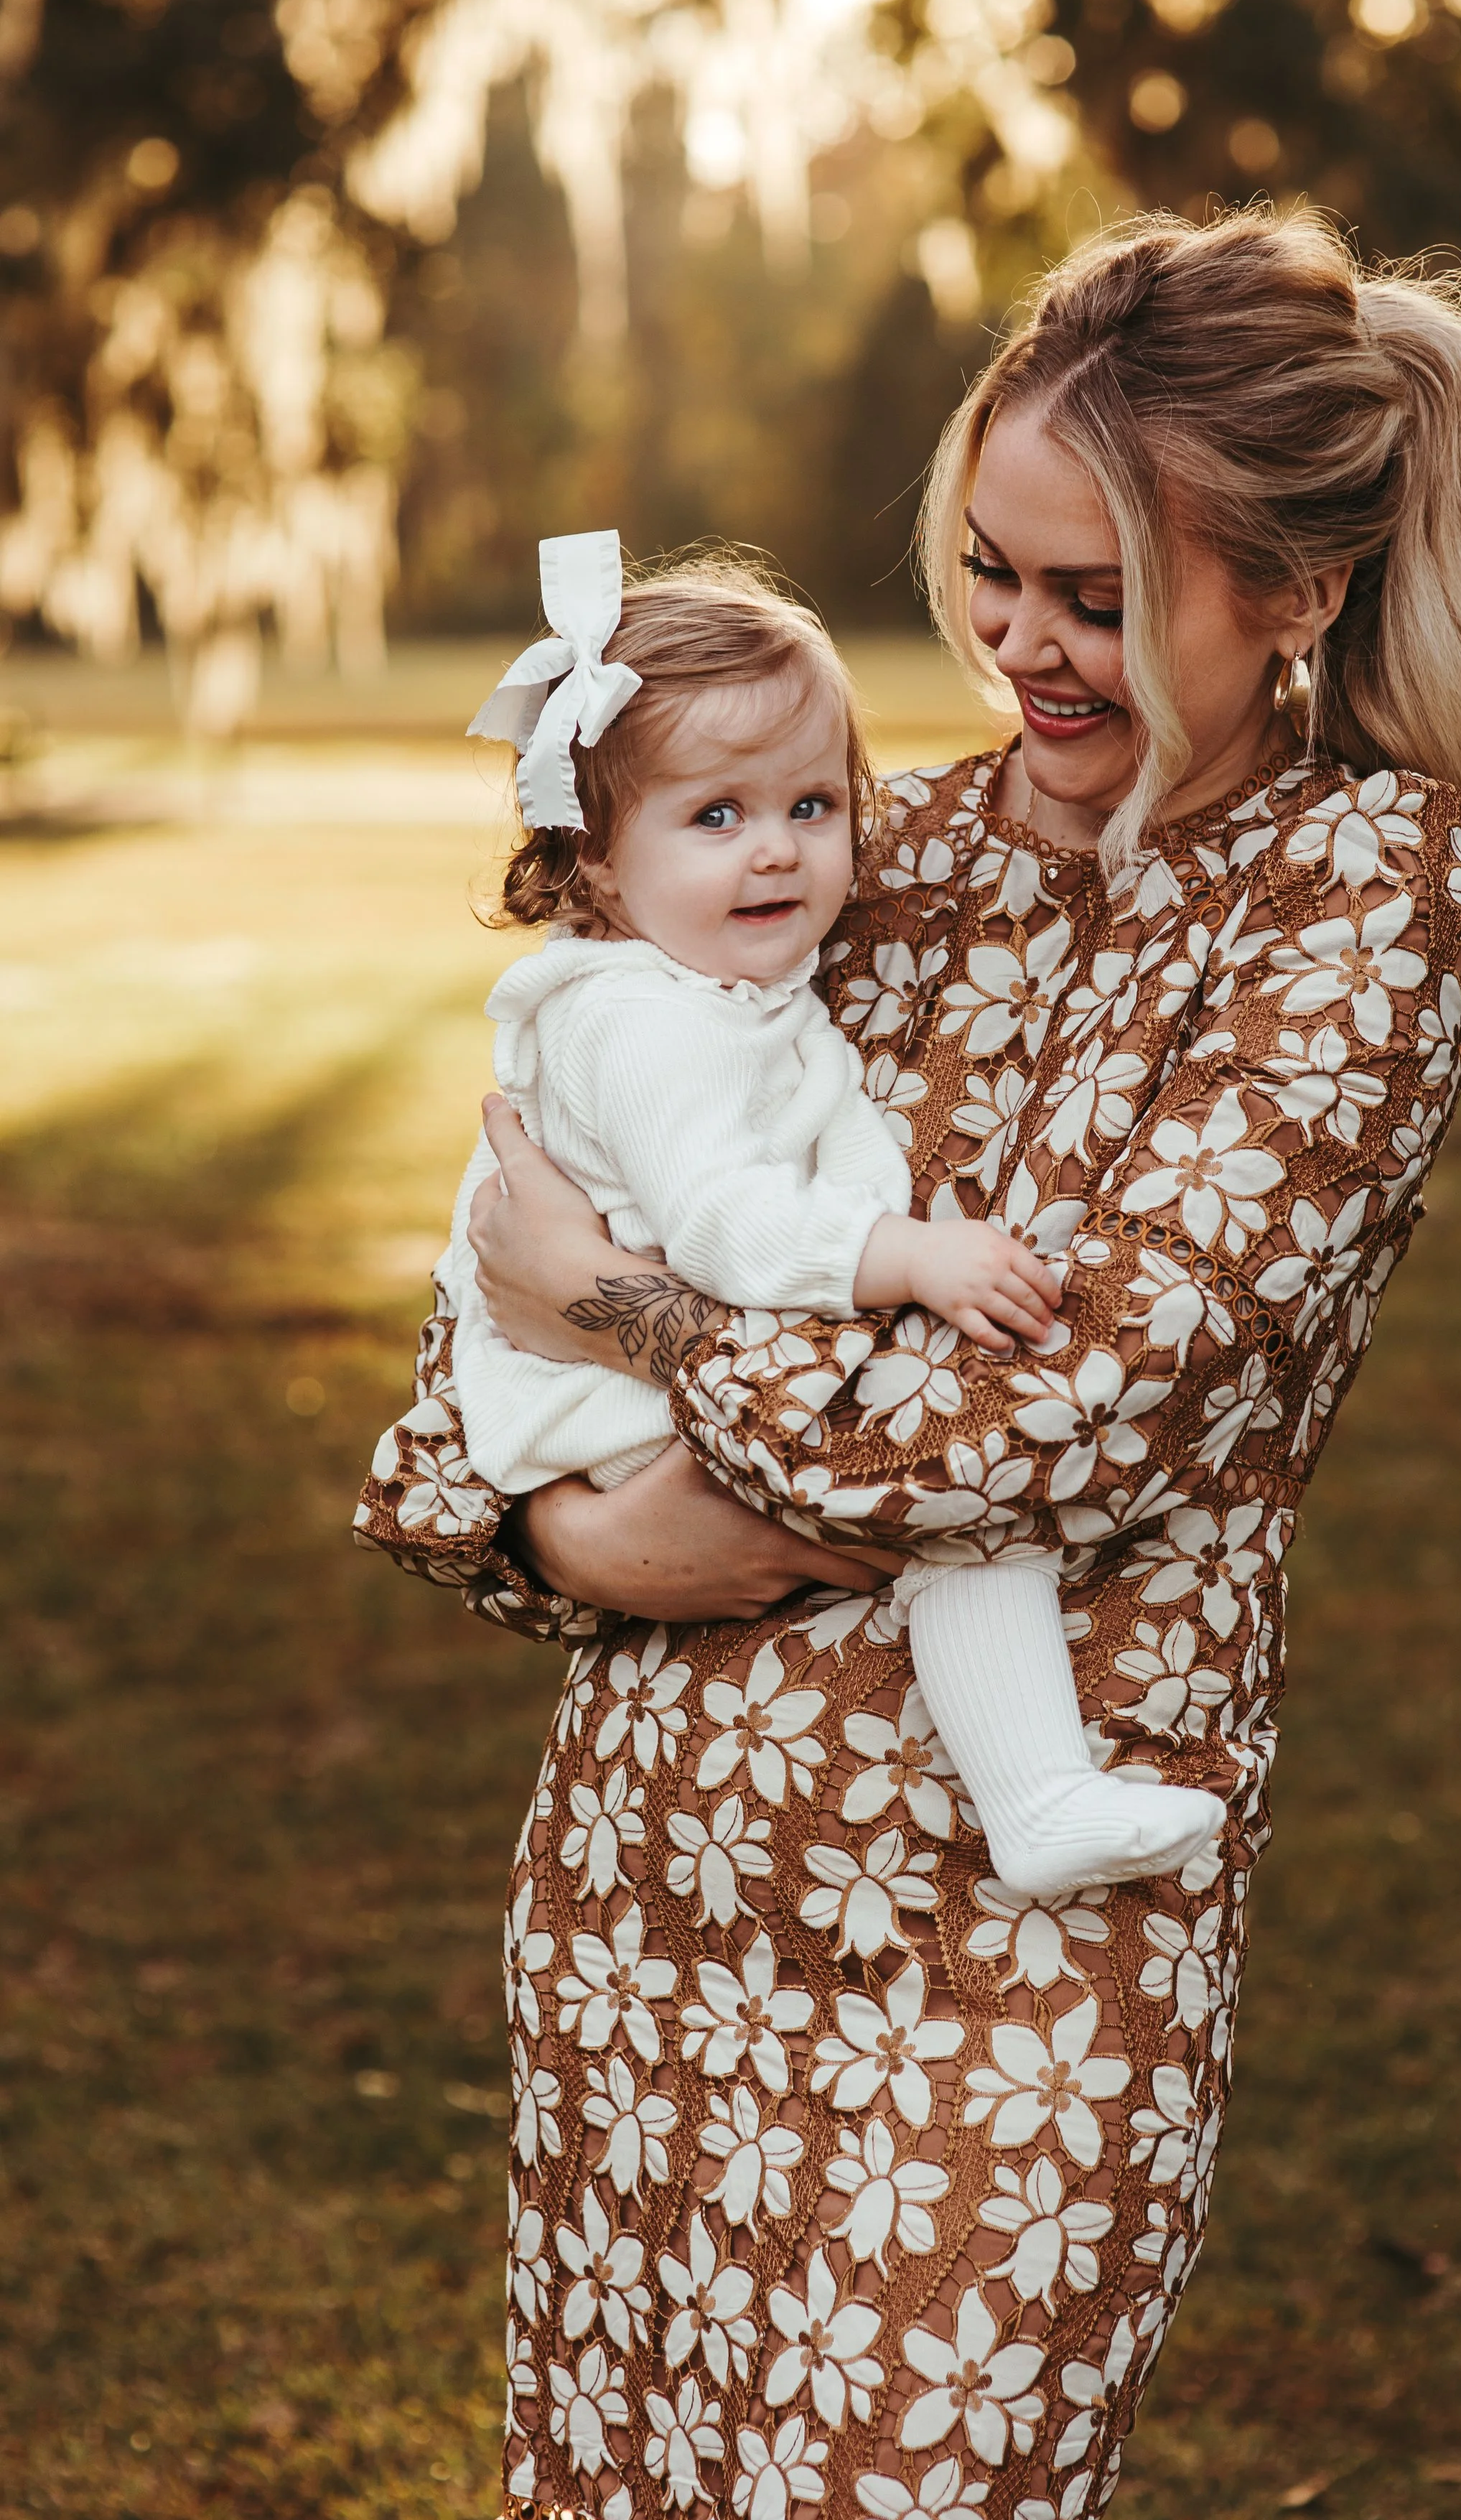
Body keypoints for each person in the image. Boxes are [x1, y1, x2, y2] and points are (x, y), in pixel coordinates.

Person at [356, 204, 1461, 2520]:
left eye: (1097, 595)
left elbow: (1053, 1425)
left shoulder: (1364, 901)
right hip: (665, 1876)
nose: (1022, 645)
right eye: (992, 575)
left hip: (1023, 1940)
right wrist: (575, 1518)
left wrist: (648, 1342)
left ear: (1294, 593)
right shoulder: (864, 853)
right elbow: (469, 1330)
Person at [442, 534, 1223, 1894]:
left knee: (945, 1509)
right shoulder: (636, 1021)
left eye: (813, 805)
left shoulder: (726, 985)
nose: (778, 854)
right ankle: (1035, 1796)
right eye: (716, 816)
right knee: (951, 1510)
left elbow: (830, 1146)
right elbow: (721, 1220)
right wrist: (906, 1256)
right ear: (598, 862)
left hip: (658, 1373)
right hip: (596, 1414)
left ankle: (1035, 1804)